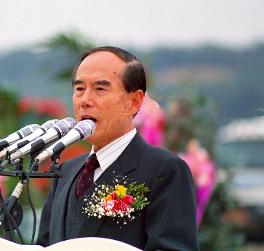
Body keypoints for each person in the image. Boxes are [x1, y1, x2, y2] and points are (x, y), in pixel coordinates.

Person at [36, 46, 199, 250]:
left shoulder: (164, 170)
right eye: (79, 89)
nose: (85, 100)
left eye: (100, 89)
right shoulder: (64, 172)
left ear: (134, 101)